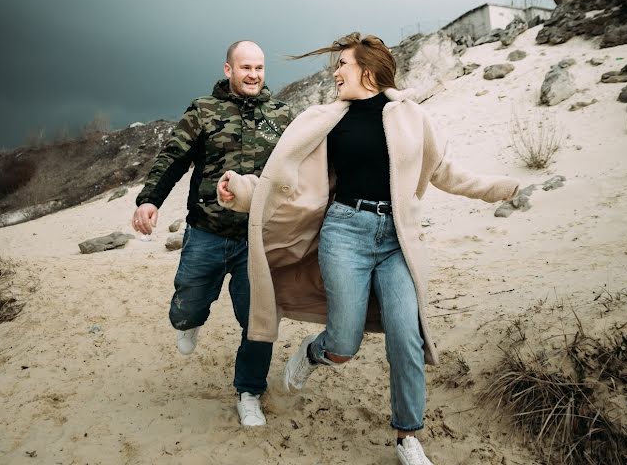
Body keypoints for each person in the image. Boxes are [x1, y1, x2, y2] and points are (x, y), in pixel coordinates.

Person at [217, 32, 519, 464]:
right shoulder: (326, 119)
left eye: (343, 64)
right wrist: (244, 192)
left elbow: (446, 173)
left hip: (396, 240)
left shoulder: (412, 118)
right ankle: (313, 352)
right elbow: (285, 179)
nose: (336, 72)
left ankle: (407, 437)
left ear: (368, 71)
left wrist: (498, 188)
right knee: (344, 343)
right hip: (344, 234)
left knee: (406, 335)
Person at [131, 40, 292, 426]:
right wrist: (149, 199)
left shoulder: (276, 117)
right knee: (185, 307)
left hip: (256, 237)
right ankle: (191, 322)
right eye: (246, 68)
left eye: (259, 68)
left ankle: (249, 391)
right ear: (228, 70)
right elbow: (174, 157)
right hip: (206, 232)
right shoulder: (204, 111)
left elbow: (293, 160)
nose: (253, 75)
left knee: (258, 320)